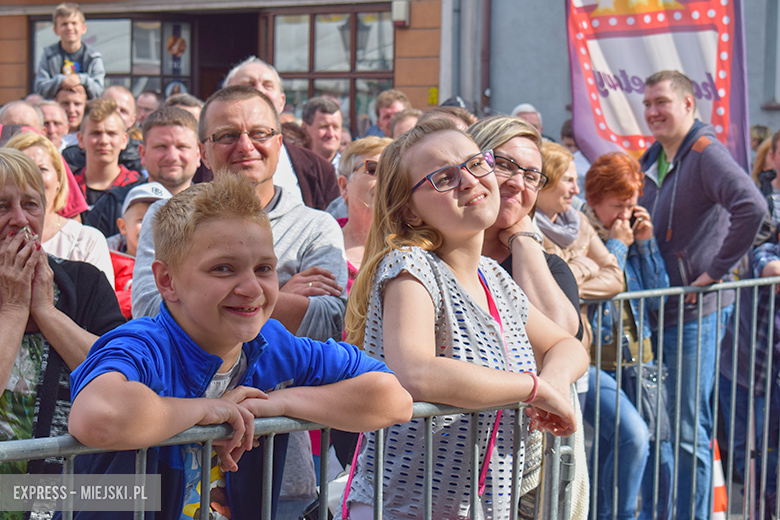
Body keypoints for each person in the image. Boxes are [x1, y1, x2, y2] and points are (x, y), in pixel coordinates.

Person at [66, 174, 412, 520]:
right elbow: (99, 416)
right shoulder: (142, 345)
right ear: (166, 281)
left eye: (264, 268)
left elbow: (393, 398)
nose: (251, 288)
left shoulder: (271, 342)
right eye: (223, 269)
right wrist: (209, 410)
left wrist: (273, 404)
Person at [342, 118, 588, 518]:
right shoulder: (410, 266)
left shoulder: (494, 277)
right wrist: (532, 389)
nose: (470, 181)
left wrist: (553, 386)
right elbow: (416, 372)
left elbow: (566, 344)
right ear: (411, 211)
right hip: (405, 508)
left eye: (476, 164)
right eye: (443, 177)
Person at [638, 69, 766, 520]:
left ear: (689, 104)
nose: (653, 111)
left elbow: (752, 207)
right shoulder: (652, 158)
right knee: (663, 427)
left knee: (688, 427)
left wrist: (712, 274)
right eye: (648, 103)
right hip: (661, 312)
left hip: (697, 313)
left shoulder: (705, 151)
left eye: (662, 102)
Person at [468, 114, 589, 519]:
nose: (518, 183)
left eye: (533, 176)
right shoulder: (429, 259)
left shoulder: (550, 269)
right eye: (504, 165)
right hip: (445, 469)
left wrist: (523, 237)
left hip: (526, 465)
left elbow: (560, 332)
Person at [0, 147, 123, 484]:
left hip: (70, 496)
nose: (20, 221)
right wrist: (13, 309)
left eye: (30, 205)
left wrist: (46, 312)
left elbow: (121, 385)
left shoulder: (84, 282)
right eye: (2, 206)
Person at [582, 152, 672, 520]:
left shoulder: (634, 234)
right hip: (598, 364)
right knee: (623, 444)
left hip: (640, 361)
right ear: (593, 202)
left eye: (632, 205)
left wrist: (646, 243)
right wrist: (618, 245)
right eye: (618, 206)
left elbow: (659, 292)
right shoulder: (582, 236)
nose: (626, 215)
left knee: (651, 447)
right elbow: (600, 287)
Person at [536, 142, 623, 358]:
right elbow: (538, 288)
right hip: (543, 350)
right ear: (545, 179)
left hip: (580, 348)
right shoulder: (523, 227)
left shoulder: (579, 222)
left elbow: (615, 277)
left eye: (576, 181)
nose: (576, 190)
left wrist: (571, 291)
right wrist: (587, 267)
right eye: (568, 180)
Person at [224, 56, 340, 211]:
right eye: (248, 84)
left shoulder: (320, 169)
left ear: (282, 101)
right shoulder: (200, 165)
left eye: (268, 85)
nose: (259, 91)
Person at [719, 238, 780, 520]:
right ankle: (755, 504)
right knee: (746, 446)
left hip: (771, 379)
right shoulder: (765, 252)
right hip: (743, 371)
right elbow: (768, 266)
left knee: (769, 449)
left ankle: (766, 501)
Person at [5, 131, 115, 287]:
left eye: (42, 169)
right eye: (23, 169)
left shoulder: (86, 240)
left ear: (58, 179)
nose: (33, 178)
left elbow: (100, 309)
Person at [86, 106, 201, 237]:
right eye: (161, 147)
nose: (172, 156)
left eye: (182, 147)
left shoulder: (214, 210)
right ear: (142, 154)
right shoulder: (112, 206)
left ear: (199, 154)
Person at [107, 182, 171, 319]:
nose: (151, 227)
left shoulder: (179, 264)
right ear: (123, 226)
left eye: (159, 220)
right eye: (142, 220)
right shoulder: (108, 260)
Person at [73, 97, 143, 214]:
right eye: (96, 133)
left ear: (124, 140)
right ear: (81, 139)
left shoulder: (137, 188)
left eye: (112, 134)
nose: (104, 141)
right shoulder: (68, 187)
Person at [33, 2, 105, 100]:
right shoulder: (48, 55)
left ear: (83, 28)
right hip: (56, 110)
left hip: (86, 110)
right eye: (64, 24)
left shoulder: (93, 56)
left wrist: (80, 79)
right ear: (55, 30)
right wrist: (62, 81)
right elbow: (40, 88)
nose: (69, 28)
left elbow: (99, 91)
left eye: (74, 23)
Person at [301, 96, 343, 167]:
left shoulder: (351, 171)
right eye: (324, 127)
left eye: (336, 127)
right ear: (305, 128)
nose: (331, 134)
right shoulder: (294, 166)